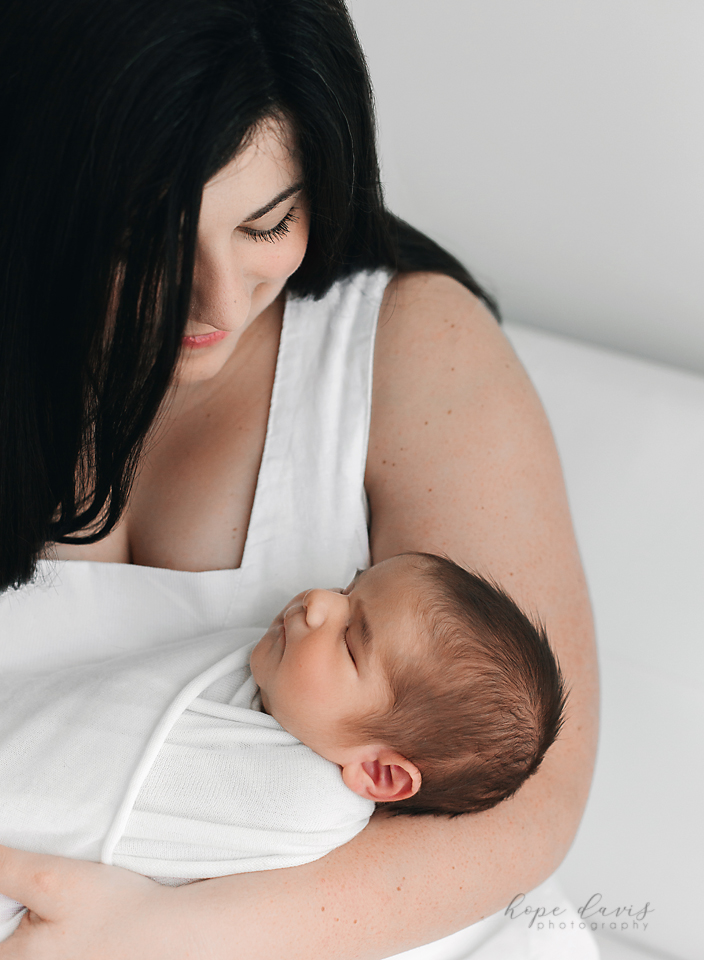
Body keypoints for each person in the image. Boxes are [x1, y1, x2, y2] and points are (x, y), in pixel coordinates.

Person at [0, 1, 598, 958]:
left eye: (268, 223)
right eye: (144, 239)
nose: (220, 300)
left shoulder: (411, 348)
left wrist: (173, 936)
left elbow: (532, 798)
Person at [0, 553, 566, 942]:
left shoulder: (304, 806)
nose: (317, 602)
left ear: (380, 774)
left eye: (348, 642)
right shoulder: (274, 685)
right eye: (348, 588)